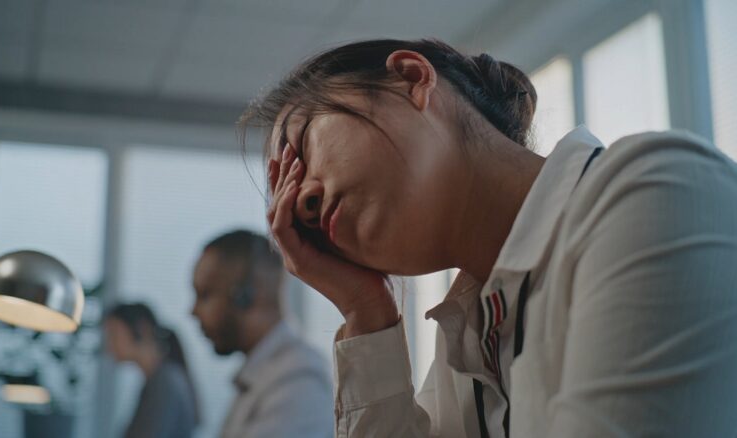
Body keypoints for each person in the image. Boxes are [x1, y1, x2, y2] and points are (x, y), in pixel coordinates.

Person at [239, 38, 737, 437]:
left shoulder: (653, 192)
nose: (299, 203)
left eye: (301, 149)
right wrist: (365, 311)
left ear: (412, 79)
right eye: (291, 202)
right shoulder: (471, 338)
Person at [190, 229, 333, 438]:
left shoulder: (297, 381)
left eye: (205, 295)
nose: (193, 311)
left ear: (245, 295)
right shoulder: (264, 376)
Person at [104, 303, 200, 438]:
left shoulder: (164, 382)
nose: (109, 346)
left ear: (142, 329)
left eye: (114, 334)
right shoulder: (161, 378)